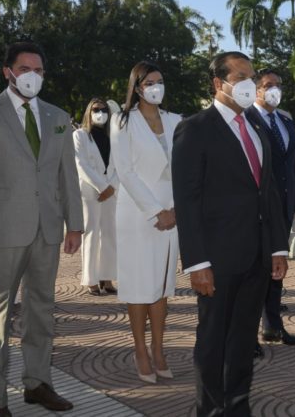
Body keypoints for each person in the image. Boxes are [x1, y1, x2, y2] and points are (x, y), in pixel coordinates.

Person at [172, 52, 290, 417]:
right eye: (239, 76)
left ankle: (238, 406)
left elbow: (266, 192)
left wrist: (277, 248)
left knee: (242, 341)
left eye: (251, 77)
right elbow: (187, 200)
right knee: (213, 340)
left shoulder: (256, 128)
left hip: (256, 256)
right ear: (217, 83)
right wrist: (197, 262)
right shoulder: (195, 128)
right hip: (216, 259)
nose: (248, 84)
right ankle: (209, 409)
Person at [0, 41, 84, 416]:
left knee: (41, 310)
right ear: (7, 71)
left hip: (47, 230)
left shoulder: (57, 116)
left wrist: (74, 224)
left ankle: (37, 383)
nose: (33, 77)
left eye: (39, 71)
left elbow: (67, 175)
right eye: (25, 69)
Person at [111, 61, 181, 384]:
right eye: (149, 82)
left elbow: (186, 167)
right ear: (137, 87)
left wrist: (176, 209)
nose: (156, 86)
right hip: (139, 214)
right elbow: (125, 171)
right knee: (140, 285)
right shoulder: (123, 121)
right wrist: (156, 211)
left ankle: (159, 348)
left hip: (173, 212)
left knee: (162, 284)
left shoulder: (175, 120)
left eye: (160, 80)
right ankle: (140, 350)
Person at [248, 68, 295, 354]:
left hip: (283, 208)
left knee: (277, 269)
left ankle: (273, 326)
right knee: (254, 271)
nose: (275, 90)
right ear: (256, 90)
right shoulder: (246, 120)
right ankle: (246, 336)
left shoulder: (285, 120)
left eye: (278, 85)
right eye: (268, 85)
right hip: (257, 209)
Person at [73, 98, 119, 296]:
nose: (100, 113)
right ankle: (91, 279)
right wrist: (101, 187)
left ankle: (107, 278)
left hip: (111, 190)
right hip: (90, 192)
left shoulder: (114, 136)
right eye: (96, 109)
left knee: (110, 233)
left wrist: (111, 187)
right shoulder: (80, 135)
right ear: (89, 112)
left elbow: (121, 164)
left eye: (104, 110)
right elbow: (80, 163)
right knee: (92, 233)